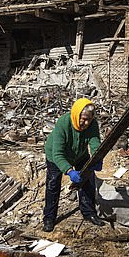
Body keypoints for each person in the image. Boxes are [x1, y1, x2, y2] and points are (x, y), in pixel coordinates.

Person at [42, 98, 104, 232]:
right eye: (83, 119)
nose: (86, 123)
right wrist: (69, 171)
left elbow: (94, 143)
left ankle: (88, 213)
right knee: (53, 184)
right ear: (76, 115)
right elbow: (58, 154)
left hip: (80, 154)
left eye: (89, 119)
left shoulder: (92, 125)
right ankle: (49, 218)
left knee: (88, 181)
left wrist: (97, 158)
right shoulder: (63, 123)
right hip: (55, 155)